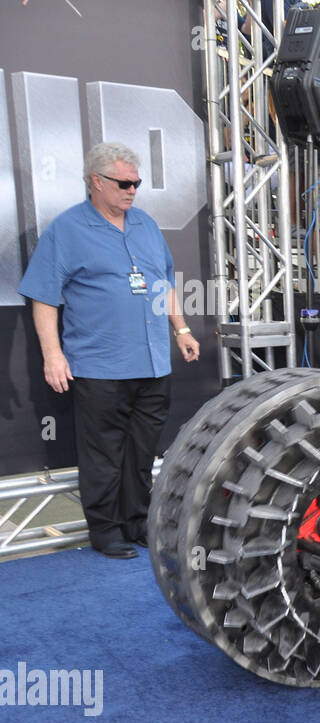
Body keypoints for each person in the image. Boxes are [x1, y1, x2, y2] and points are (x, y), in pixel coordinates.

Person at [18, 142, 199, 559]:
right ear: (95, 182)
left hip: (154, 363)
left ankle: (137, 522)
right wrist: (52, 355)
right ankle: (105, 530)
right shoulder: (66, 230)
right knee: (103, 454)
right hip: (99, 366)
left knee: (141, 451)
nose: (132, 190)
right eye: (123, 183)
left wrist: (182, 329)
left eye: (136, 183)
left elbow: (163, 282)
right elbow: (44, 298)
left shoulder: (146, 225)